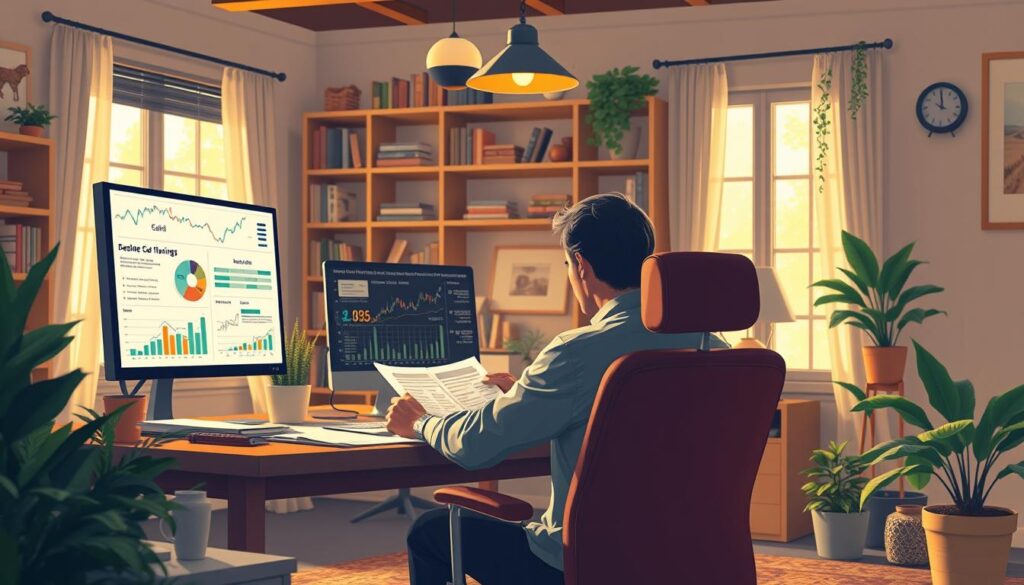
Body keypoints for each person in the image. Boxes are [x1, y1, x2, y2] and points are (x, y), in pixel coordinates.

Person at [386, 193, 727, 585]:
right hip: (684, 562)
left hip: (584, 566)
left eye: (567, 263)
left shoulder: (577, 353)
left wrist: (421, 422)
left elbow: (476, 447)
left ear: (581, 266)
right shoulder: (714, 349)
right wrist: (524, 393)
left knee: (428, 532)